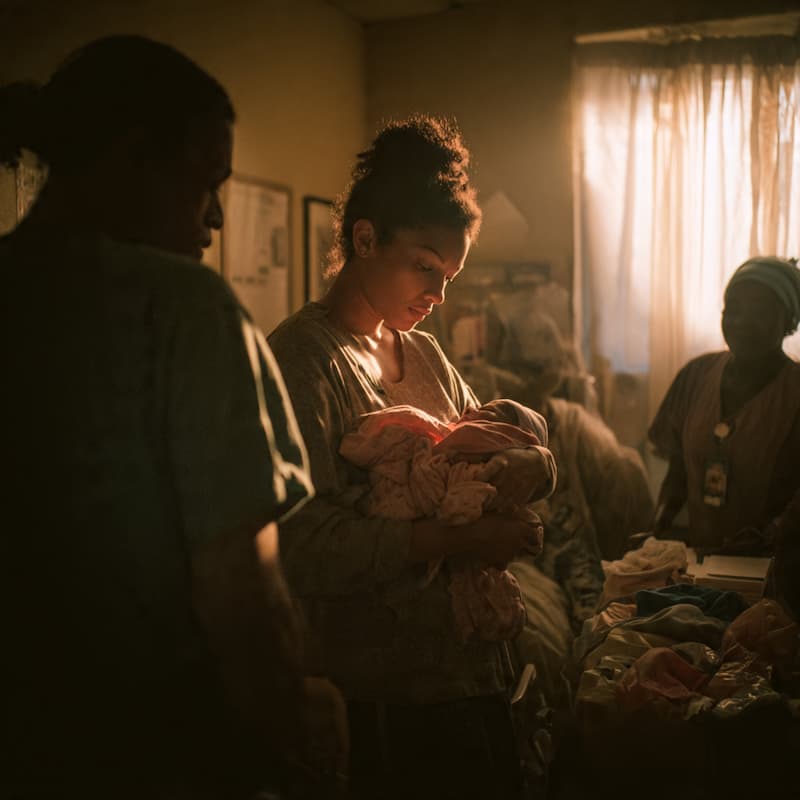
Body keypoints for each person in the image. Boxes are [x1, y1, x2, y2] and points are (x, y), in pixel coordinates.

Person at [0, 36, 328, 799]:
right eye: (204, 184)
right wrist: (293, 735)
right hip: (155, 748)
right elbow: (242, 594)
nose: (214, 218)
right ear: (130, 159)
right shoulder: (182, 307)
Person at [268, 115, 554, 800]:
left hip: (468, 673)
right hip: (385, 696)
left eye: (450, 273)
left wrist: (533, 466)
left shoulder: (421, 352)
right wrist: (457, 540)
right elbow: (302, 543)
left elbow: (493, 442)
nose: (439, 294)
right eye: (425, 266)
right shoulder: (304, 361)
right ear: (364, 239)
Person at [648, 256, 800, 615]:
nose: (742, 322)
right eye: (734, 309)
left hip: (771, 577)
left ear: (789, 321)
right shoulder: (696, 376)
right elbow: (678, 474)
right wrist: (659, 533)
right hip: (697, 565)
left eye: (761, 311)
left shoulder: (795, 395)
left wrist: (768, 536)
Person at [339, 399, 553, 644]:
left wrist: (540, 460)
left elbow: (512, 442)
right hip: (388, 635)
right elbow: (312, 547)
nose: (471, 410)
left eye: (487, 411)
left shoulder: (484, 468)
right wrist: (470, 535)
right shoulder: (314, 377)